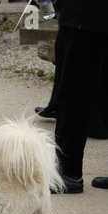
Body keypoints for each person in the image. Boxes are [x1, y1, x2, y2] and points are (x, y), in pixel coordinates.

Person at [48, 0, 108, 193]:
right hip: (80, 16)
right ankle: (66, 169)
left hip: (87, 18)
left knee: (75, 93)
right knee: (98, 91)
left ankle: (68, 172)